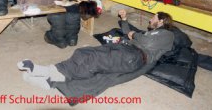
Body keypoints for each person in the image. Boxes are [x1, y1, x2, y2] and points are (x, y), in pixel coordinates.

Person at [17, 9, 174, 90]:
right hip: (125, 49)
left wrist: (135, 35)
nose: (150, 19)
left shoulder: (167, 34)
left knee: (94, 61)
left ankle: (47, 75)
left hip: (135, 56)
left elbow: (144, 41)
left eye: (153, 17)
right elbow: (129, 33)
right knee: (83, 52)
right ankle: (50, 76)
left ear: (160, 21)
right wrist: (124, 19)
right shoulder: (153, 33)